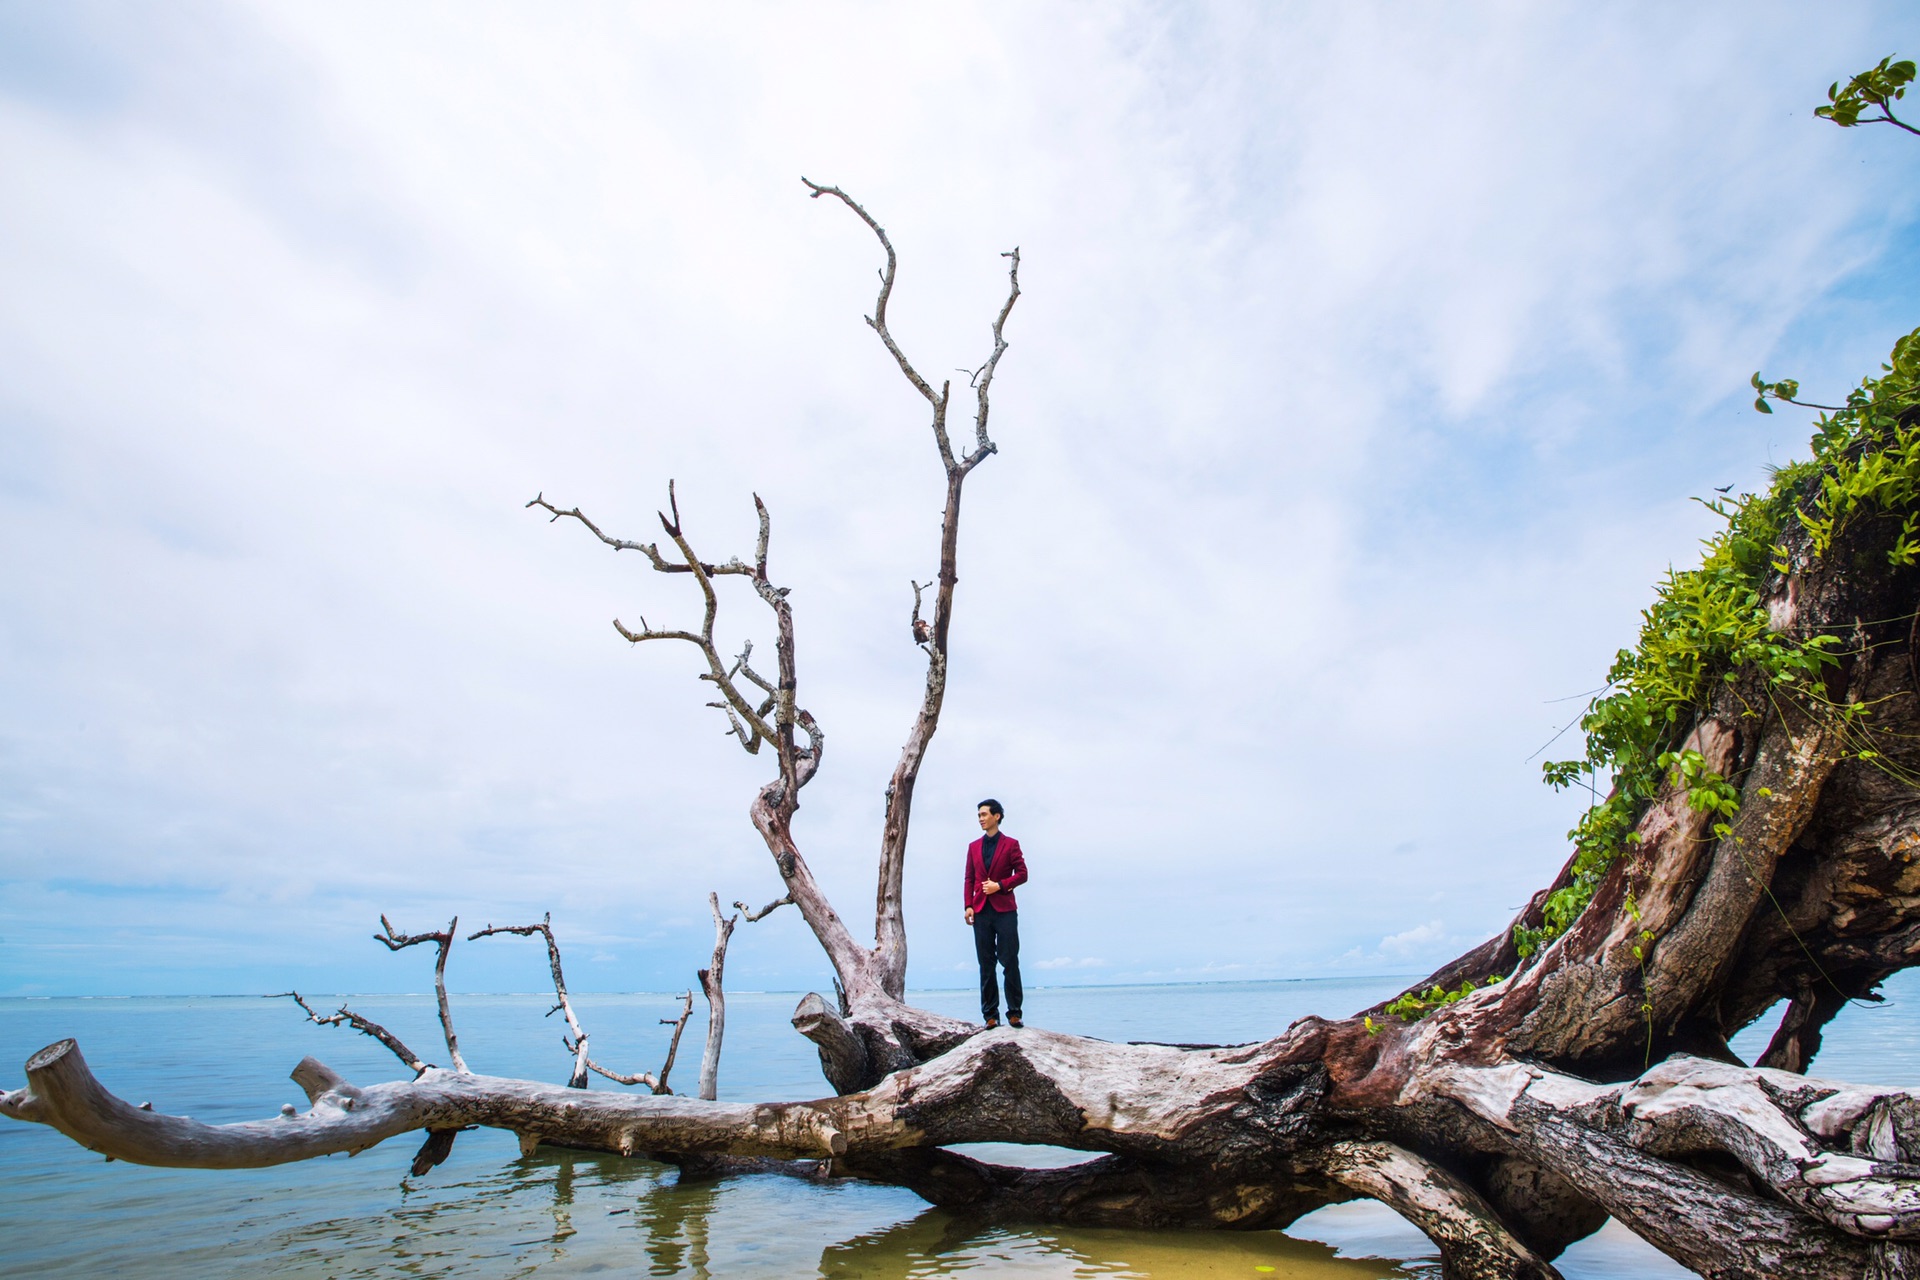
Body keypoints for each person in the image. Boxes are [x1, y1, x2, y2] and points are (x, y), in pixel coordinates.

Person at [963, 798, 1028, 1029]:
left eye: (984, 814)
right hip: (981, 911)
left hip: (1005, 910)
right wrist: (968, 906)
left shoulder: (1011, 844)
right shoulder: (972, 847)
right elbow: (969, 878)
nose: (980, 819)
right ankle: (990, 1015)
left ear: (996, 816)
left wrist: (1000, 885)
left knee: (1010, 960)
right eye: (979, 815)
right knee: (986, 964)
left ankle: (1015, 1013)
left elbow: (1022, 874)